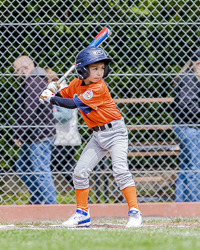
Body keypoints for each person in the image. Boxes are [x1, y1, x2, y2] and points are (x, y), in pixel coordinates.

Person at [39, 46, 143, 228]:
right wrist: (52, 88)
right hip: (98, 135)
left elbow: (71, 103)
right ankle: (82, 214)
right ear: (82, 70)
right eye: (94, 68)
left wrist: (50, 98)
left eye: (101, 68)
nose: (99, 72)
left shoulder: (98, 88)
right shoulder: (75, 84)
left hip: (116, 133)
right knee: (79, 172)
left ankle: (135, 213)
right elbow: (63, 94)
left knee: (120, 170)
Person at [13, 55, 56, 204]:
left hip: (39, 135)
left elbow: (30, 111)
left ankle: (51, 205)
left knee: (41, 171)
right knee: (22, 167)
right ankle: (37, 200)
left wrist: (19, 133)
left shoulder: (34, 82)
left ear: (24, 68)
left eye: (16, 71)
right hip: (31, 134)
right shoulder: (34, 81)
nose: (15, 75)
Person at [45, 69, 81, 187]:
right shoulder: (59, 89)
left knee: (43, 166)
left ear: (50, 80)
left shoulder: (61, 90)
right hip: (64, 139)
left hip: (62, 140)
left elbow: (66, 115)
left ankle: (47, 198)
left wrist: (45, 117)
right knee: (68, 171)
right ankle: (87, 197)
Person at [173, 50, 200, 202]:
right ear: (198, 64)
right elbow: (187, 104)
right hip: (189, 127)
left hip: (185, 126)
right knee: (194, 168)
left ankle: (182, 204)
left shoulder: (190, 77)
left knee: (186, 166)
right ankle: (195, 204)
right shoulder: (190, 78)